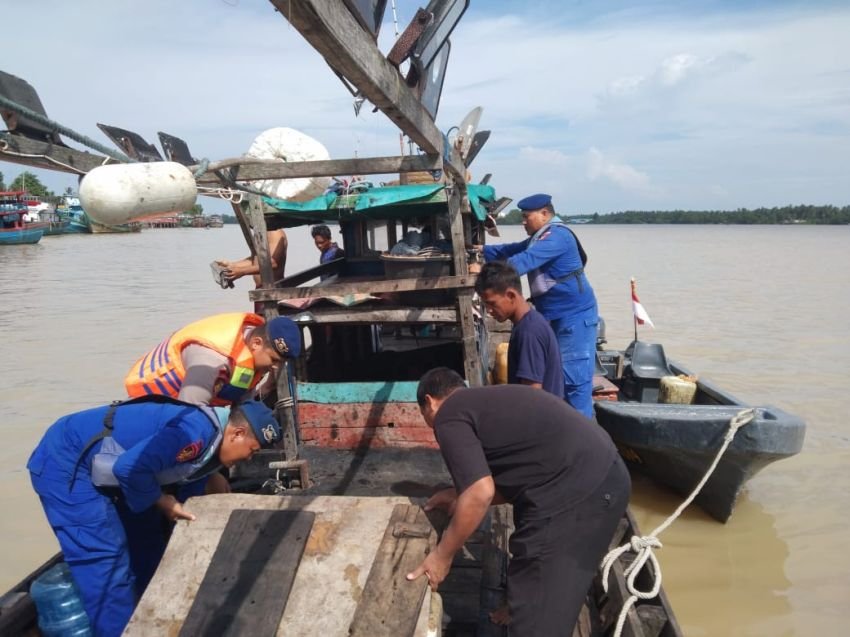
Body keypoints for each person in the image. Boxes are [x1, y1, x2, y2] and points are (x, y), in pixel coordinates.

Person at [27, 397, 281, 637]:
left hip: (119, 473)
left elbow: (185, 483)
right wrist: (162, 501)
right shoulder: (194, 432)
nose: (249, 458)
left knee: (149, 543)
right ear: (237, 434)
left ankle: (151, 619)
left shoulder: (212, 445)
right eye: (252, 450)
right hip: (67, 463)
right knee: (106, 560)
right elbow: (128, 468)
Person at [406, 367, 629, 636]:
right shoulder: (485, 403)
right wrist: (458, 495)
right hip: (606, 473)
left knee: (540, 608)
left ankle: (531, 616)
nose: (430, 425)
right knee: (538, 571)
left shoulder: (447, 415)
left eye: (423, 415)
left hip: (579, 491)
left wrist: (442, 556)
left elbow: (480, 492)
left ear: (429, 401)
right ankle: (521, 606)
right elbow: (506, 481)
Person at [480, 193, 598, 418]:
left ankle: (585, 442)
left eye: (526, 216)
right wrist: (480, 251)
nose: (523, 221)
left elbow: (524, 261)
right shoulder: (539, 236)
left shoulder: (558, 237)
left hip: (574, 318)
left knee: (574, 386)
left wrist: (487, 276)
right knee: (554, 379)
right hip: (552, 316)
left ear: (545, 214)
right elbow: (510, 250)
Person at [125, 312, 301, 407]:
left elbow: (242, 399)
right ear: (256, 343)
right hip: (151, 405)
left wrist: (268, 385)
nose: (276, 367)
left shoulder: (248, 347)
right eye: (274, 360)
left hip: (192, 399)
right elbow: (190, 411)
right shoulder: (212, 359)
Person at [474, 261, 564, 397]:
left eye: (492, 304)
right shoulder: (529, 323)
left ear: (511, 295)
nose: (489, 311)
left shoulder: (529, 332)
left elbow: (532, 395)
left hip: (541, 416)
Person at [215, 228, 288, 286]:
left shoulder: (275, 232)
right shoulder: (261, 231)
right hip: (261, 291)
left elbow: (272, 263)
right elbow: (256, 260)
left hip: (274, 290)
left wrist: (242, 271)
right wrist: (232, 265)